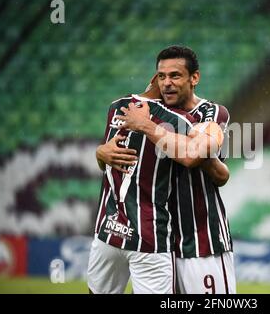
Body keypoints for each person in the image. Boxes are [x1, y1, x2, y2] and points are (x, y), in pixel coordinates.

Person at [107, 45, 236, 293]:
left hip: (201, 240)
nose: (167, 83)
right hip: (157, 245)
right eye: (162, 76)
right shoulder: (149, 111)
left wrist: (148, 127)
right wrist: (100, 154)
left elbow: (199, 160)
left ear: (194, 78)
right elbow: (116, 157)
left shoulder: (211, 113)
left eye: (175, 75)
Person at [87, 74, 197, 294]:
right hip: (149, 237)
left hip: (108, 231)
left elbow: (107, 160)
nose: (171, 84)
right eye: (168, 77)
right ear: (158, 78)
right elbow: (194, 157)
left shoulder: (117, 106)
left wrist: (99, 153)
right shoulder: (180, 121)